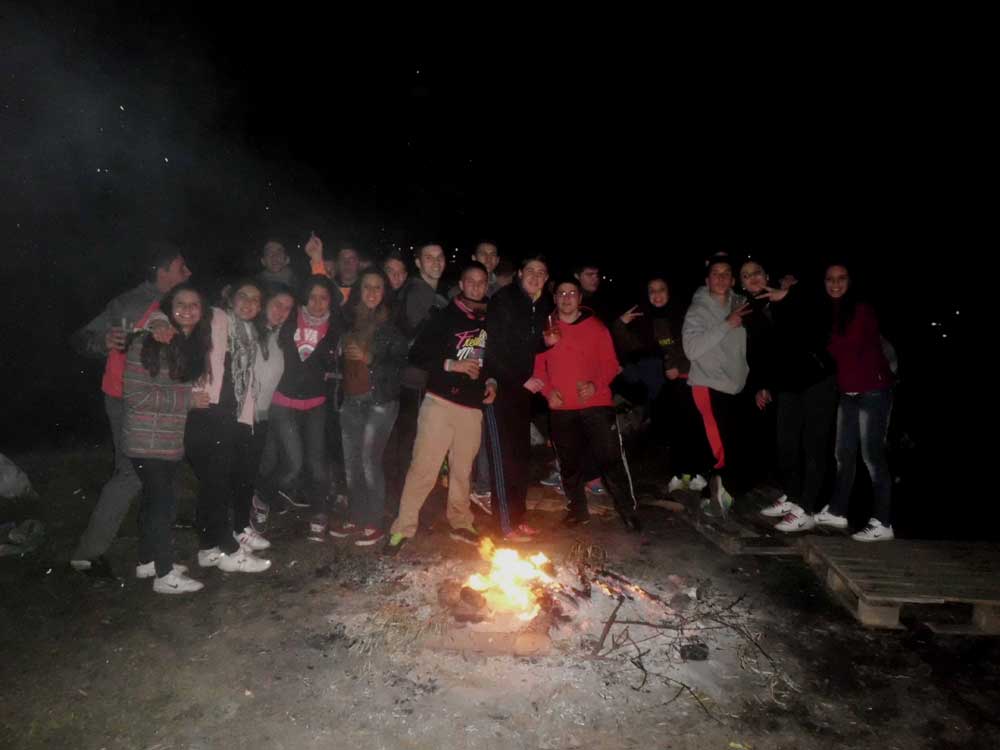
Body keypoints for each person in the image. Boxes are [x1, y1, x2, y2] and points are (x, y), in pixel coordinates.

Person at [70, 242, 192, 577]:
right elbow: (82, 338)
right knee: (130, 473)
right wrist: (102, 342)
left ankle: (152, 553)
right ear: (162, 270)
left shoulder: (176, 304)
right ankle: (87, 553)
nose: (189, 273)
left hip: (161, 398)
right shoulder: (128, 303)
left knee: (159, 471)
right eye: (182, 267)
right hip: (126, 398)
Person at [384, 264, 496, 555]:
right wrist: (451, 364)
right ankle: (402, 528)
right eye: (470, 281)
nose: (475, 286)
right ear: (461, 283)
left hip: (472, 408)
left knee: (462, 471)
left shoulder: (488, 320)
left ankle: (460, 521)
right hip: (440, 403)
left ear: (486, 285)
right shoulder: (443, 317)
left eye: (481, 282)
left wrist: (492, 381)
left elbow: (492, 360)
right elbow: (417, 354)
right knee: (424, 468)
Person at [532, 278, 640, 531]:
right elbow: (538, 369)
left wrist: (595, 385)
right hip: (561, 408)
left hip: (596, 405)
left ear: (580, 298)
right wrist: (548, 393)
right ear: (555, 298)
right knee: (568, 464)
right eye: (561, 293)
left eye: (572, 293)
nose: (567, 297)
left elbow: (612, 365)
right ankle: (577, 510)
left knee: (610, 460)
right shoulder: (548, 330)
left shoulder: (597, 328)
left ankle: (628, 511)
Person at [124, 283, 212, 593]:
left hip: (170, 440)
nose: (187, 309)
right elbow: (135, 395)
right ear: (167, 308)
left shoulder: (189, 345)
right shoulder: (148, 343)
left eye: (195, 305)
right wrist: (188, 400)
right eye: (180, 304)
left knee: (154, 502)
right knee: (163, 506)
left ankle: (148, 561)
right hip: (146, 441)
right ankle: (164, 576)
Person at [817, 263, 896, 542]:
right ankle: (838, 511)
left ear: (851, 282)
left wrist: (820, 339)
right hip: (848, 393)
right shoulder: (834, 310)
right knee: (843, 456)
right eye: (830, 279)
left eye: (841, 279)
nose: (835, 284)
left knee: (872, 458)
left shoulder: (860, 309)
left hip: (873, 391)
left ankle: (883, 522)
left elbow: (847, 346)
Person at [328, 270, 407, 546]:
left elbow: (400, 366)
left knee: (368, 461)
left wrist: (370, 357)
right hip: (351, 400)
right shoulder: (348, 322)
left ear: (384, 292)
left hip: (380, 401)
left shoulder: (391, 326)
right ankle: (358, 517)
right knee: (351, 464)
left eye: (378, 287)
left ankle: (374, 522)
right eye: (367, 287)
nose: (372, 292)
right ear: (358, 291)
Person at [682, 253, 750, 515]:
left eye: (725, 274)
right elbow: (691, 349)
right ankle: (719, 495)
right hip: (707, 385)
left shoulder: (742, 303)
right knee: (721, 448)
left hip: (737, 387)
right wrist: (726, 324)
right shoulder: (698, 309)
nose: (720, 278)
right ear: (707, 279)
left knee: (733, 444)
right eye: (715, 274)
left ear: (733, 279)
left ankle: (712, 495)